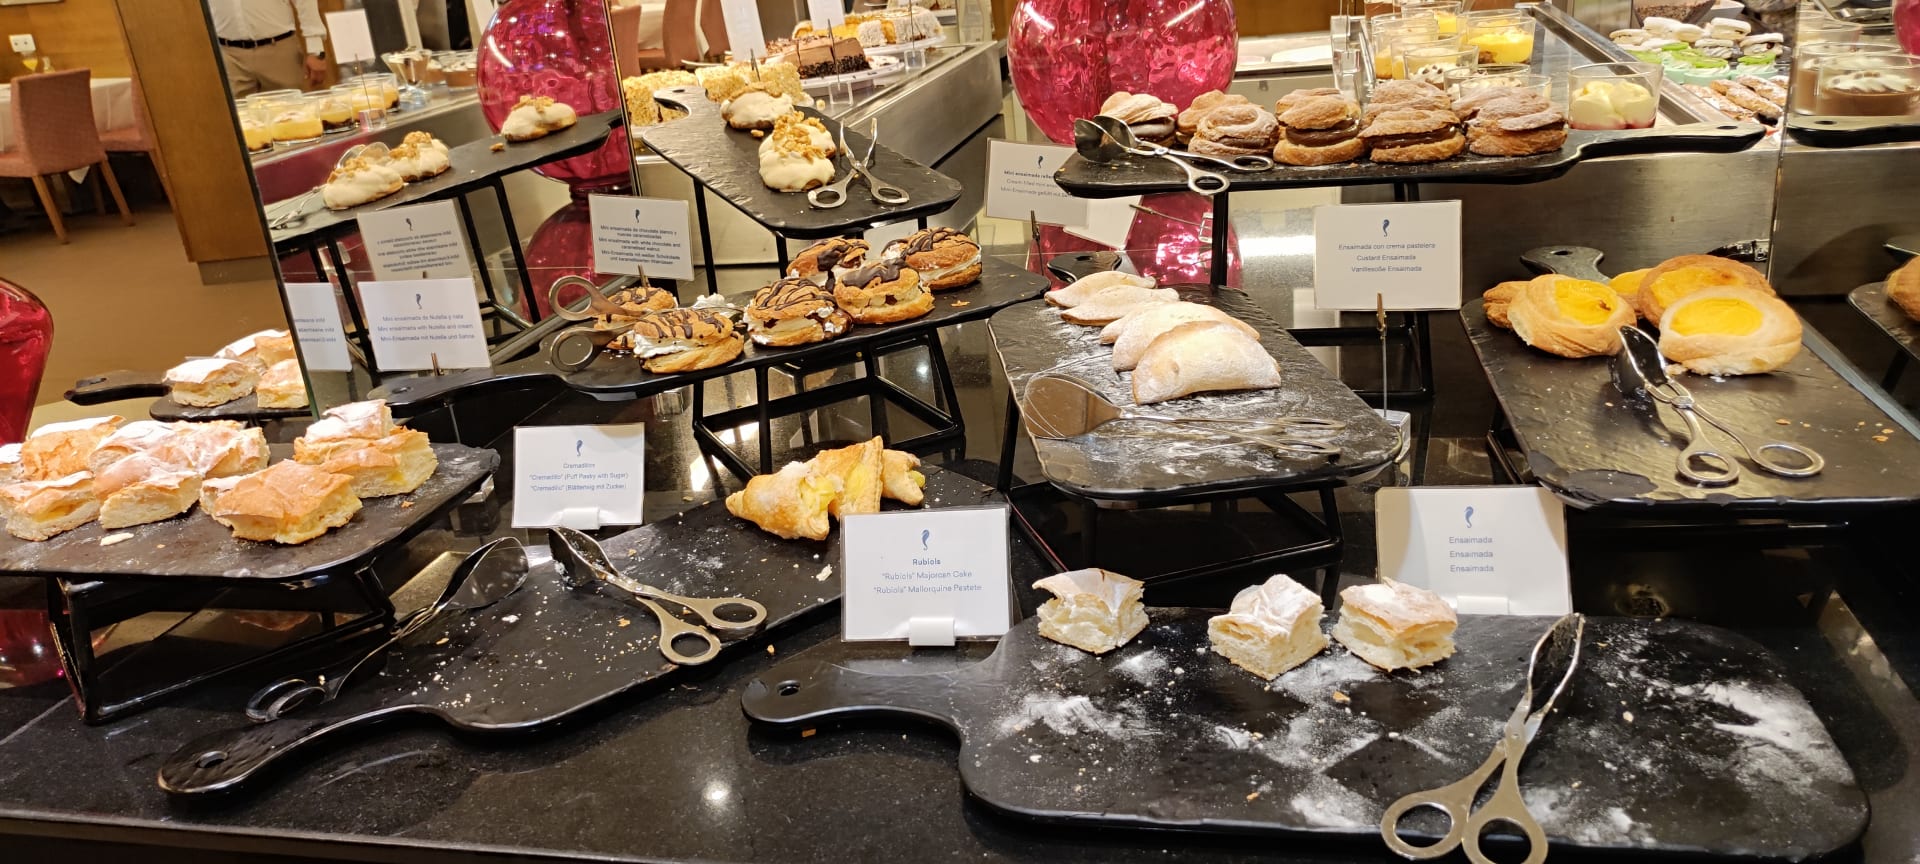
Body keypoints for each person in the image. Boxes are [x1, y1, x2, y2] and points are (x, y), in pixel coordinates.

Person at [208, 0, 329, 97]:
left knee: (289, 114)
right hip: (228, 56)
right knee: (236, 118)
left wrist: (316, 50)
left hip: (279, 50)